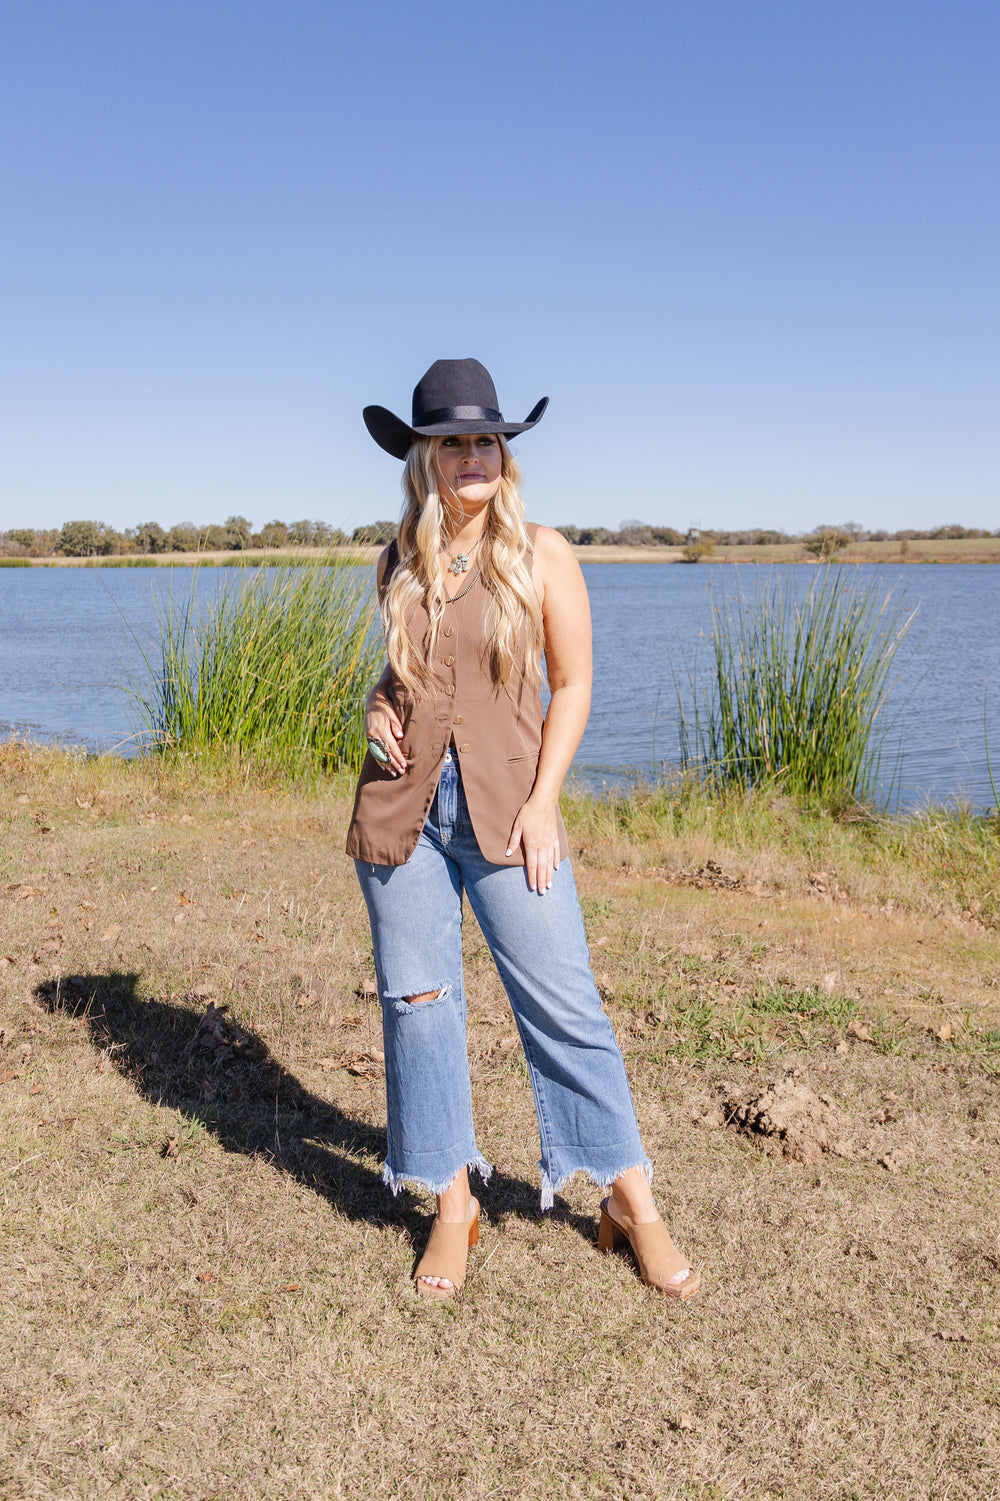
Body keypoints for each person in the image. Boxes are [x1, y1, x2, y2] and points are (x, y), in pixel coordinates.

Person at [346, 358, 699, 1302]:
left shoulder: (542, 551)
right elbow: (406, 680)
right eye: (452, 440)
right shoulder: (399, 559)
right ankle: (452, 1205)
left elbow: (574, 686)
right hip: (403, 812)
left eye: (486, 439)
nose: (472, 455)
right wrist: (375, 708)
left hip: (509, 809)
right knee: (419, 1004)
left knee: (563, 999)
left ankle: (632, 1201)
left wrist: (544, 800)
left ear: (505, 451)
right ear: (423, 456)